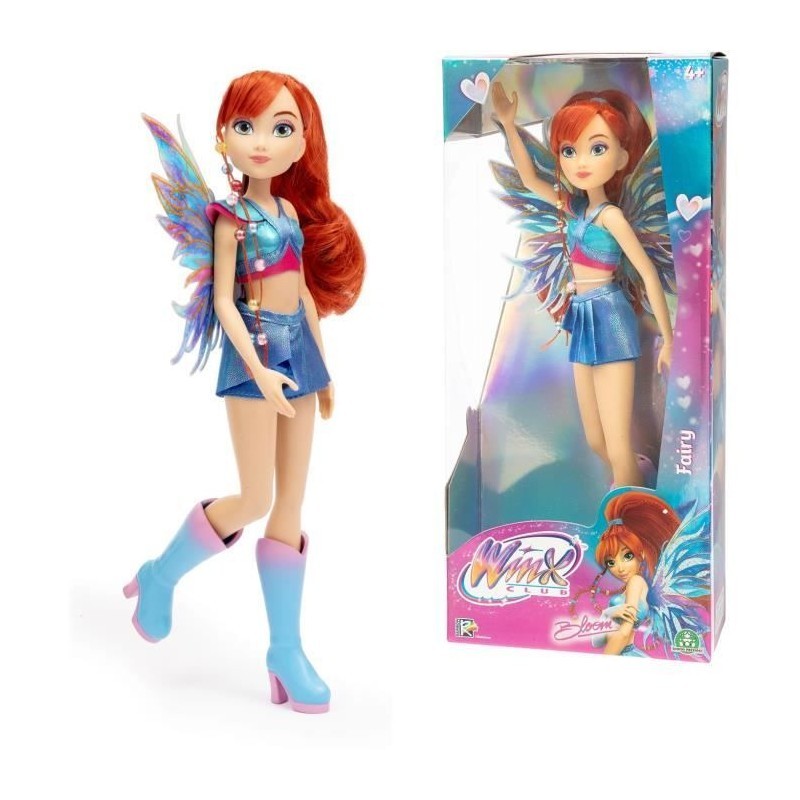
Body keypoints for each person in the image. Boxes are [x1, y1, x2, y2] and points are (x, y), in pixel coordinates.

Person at [125, 71, 365, 714]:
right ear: (223, 137)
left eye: (281, 129)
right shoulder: (229, 217)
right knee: (255, 496)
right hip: (253, 350)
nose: (261, 141)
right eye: (245, 126)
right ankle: (160, 575)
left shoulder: (289, 213)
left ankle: (285, 650)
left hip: (300, 354)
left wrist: (325, 367)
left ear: (301, 144)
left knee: (291, 504)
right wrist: (257, 369)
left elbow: (305, 294)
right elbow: (228, 303)